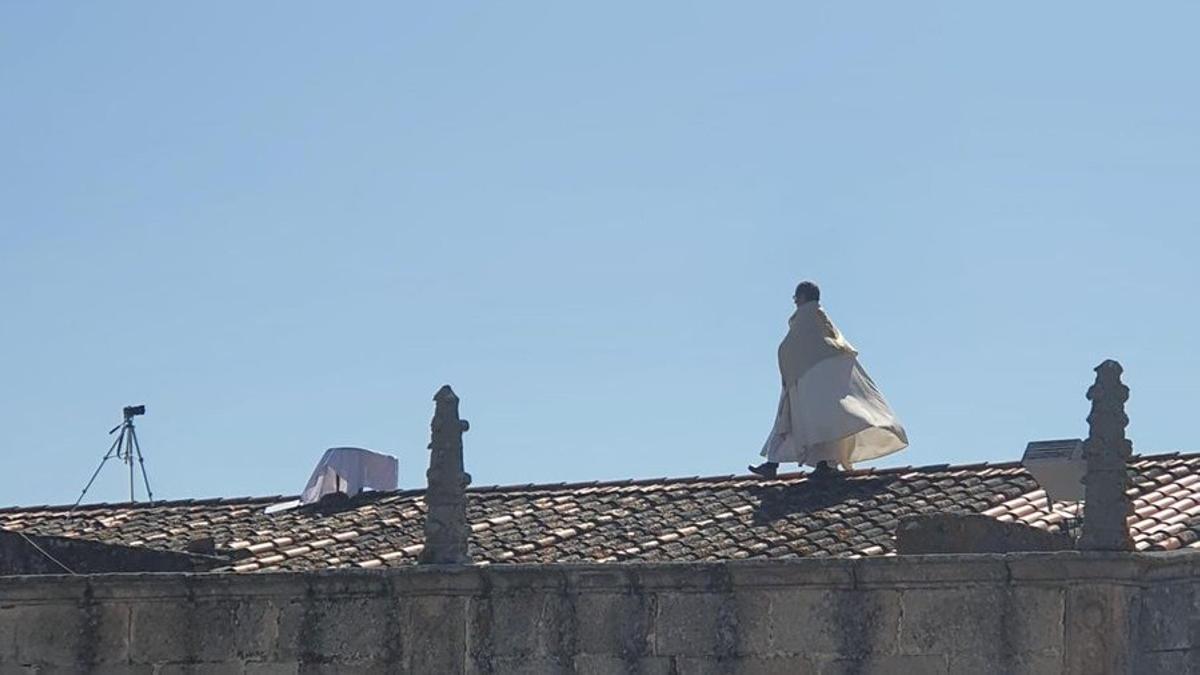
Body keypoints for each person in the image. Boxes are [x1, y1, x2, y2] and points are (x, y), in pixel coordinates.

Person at [749, 281, 907, 478]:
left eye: (796, 296)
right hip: (808, 382)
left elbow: (793, 348)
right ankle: (796, 464)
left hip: (805, 382)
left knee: (800, 423)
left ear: (803, 297)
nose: (795, 300)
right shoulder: (820, 319)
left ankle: (812, 464)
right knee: (820, 424)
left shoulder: (806, 318)